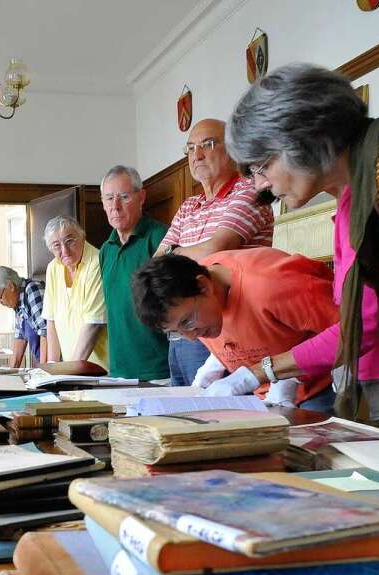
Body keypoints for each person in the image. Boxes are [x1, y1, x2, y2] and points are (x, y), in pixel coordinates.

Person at [221, 63, 379, 430]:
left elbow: (363, 321)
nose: (259, 186)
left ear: (305, 138)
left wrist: (260, 371)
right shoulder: (352, 201)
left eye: (263, 166)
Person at [131, 251, 340, 412]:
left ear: (204, 286)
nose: (192, 337)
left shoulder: (272, 285)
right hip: (265, 399)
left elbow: (351, 333)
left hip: (321, 390)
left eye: (187, 323)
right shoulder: (198, 299)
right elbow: (251, 327)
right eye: (176, 332)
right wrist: (213, 366)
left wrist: (288, 378)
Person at [153, 118, 275, 387]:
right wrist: (179, 256)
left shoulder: (248, 190)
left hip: (226, 324)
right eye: (190, 148)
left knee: (220, 418)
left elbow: (216, 249)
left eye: (208, 144)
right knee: (183, 418)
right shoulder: (188, 206)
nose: (197, 155)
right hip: (182, 334)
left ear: (231, 150)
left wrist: (174, 253)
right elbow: (157, 266)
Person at [97, 165, 170, 381]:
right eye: (109, 198)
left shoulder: (160, 238)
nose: (115, 206)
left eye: (124, 197)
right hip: (118, 371)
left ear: (142, 197)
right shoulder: (105, 250)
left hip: (158, 370)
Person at [40, 216, 109, 371]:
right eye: (56, 245)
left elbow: (93, 323)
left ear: (82, 237)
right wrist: (52, 365)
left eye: (69, 241)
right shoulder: (53, 268)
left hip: (99, 368)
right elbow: (51, 320)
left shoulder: (97, 262)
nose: (64, 251)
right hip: (72, 366)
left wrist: (70, 372)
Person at [0, 266, 47, 368]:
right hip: (46, 365)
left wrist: (45, 371)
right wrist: (10, 372)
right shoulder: (17, 304)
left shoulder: (32, 290)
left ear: (10, 286)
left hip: (59, 364)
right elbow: (20, 339)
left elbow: (46, 332)